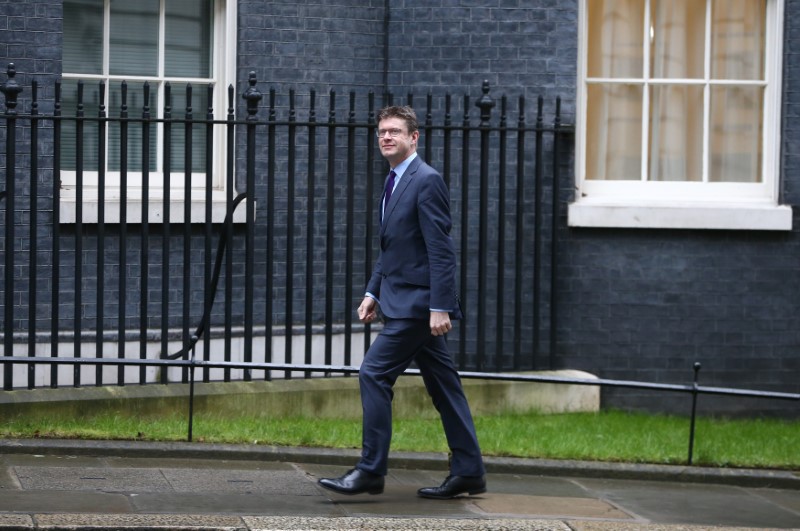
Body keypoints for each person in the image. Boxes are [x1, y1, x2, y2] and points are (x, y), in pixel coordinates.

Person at [318, 106, 486, 499]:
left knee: (373, 373)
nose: (386, 138)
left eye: (394, 131)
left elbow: (440, 250)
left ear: (415, 137)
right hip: (402, 299)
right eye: (381, 132)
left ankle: (371, 470)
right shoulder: (395, 180)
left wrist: (440, 306)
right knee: (445, 387)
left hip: (417, 306)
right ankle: (470, 471)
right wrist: (373, 291)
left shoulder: (426, 180)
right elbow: (394, 247)